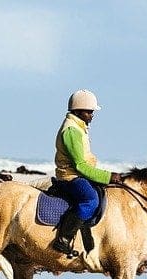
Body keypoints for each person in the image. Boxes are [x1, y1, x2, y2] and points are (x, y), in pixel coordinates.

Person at [51, 89, 123, 257]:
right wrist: (108, 176)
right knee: (90, 199)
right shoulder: (71, 131)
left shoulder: (79, 127)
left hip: (78, 175)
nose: (92, 115)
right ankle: (63, 238)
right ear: (78, 110)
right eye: (89, 111)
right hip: (70, 177)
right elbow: (80, 165)